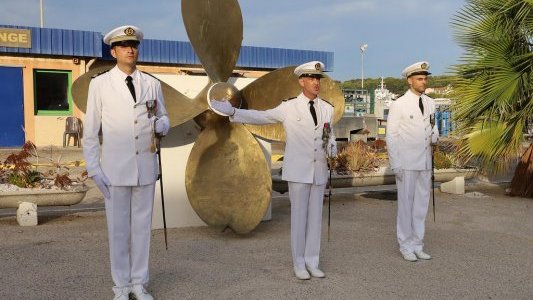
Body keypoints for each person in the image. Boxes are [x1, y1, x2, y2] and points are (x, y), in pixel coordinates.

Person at [210, 61, 337, 280]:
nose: (316, 82)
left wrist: (333, 150)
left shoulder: (327, 108)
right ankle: (299, 263)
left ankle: (312, 261)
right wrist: (233, 111)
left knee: (315, 217)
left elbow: (329, 135)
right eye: (312, 78)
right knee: (299, 217)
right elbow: (262, 116)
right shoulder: (289, 107)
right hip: (298, 171)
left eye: (318, 78)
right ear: (301, 82)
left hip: (319, 170)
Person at [83, 25, 170, 300]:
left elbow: (164, 116)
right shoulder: (99, 84)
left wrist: (162, 124)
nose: (130, 49)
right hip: (114, 170)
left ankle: (138, 283)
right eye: (123, 46)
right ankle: (120, 286)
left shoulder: (152, 83)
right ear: (113, 51)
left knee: (142, 230)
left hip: (145, 167)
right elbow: (90, 133)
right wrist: (94, 169)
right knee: (118, 230)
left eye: (133, 45)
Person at [386, 61, 439, 262]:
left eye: (425, 78)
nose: (423, 82)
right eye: (419, 78)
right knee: (406, 206)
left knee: (421, 206)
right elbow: (392, 136)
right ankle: (405, 245)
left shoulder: (430, 103)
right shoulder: (399, 104)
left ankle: (418, 244)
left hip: (425, 162)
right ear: (410, 81)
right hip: (406, 163)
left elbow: (432, 126)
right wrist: (395, 163)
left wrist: (435, 135)